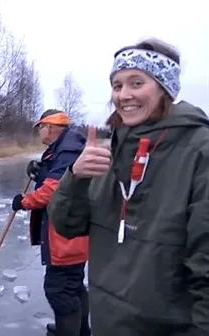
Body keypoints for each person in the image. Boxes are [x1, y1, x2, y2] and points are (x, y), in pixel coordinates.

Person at [47, 37, 209, 336]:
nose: (123, 95)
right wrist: (76, 177)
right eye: (117, 85)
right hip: (108, 323)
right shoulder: (112, 150)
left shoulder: (199, 152)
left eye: (136, 83)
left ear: (165, 88)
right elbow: (68, 225)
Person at [11, 109, 90, 336]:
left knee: (59, 290)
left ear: (50, 127)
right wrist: (41, 171)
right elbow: (58, 178)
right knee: (72, 286)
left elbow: (53, 191)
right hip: (71, 232)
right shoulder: (64, 149)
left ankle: (69, 331)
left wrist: (24, 202)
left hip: (67, 234)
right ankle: (80, 329)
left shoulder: (68, 151)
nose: (39, 133)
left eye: (40, 128)